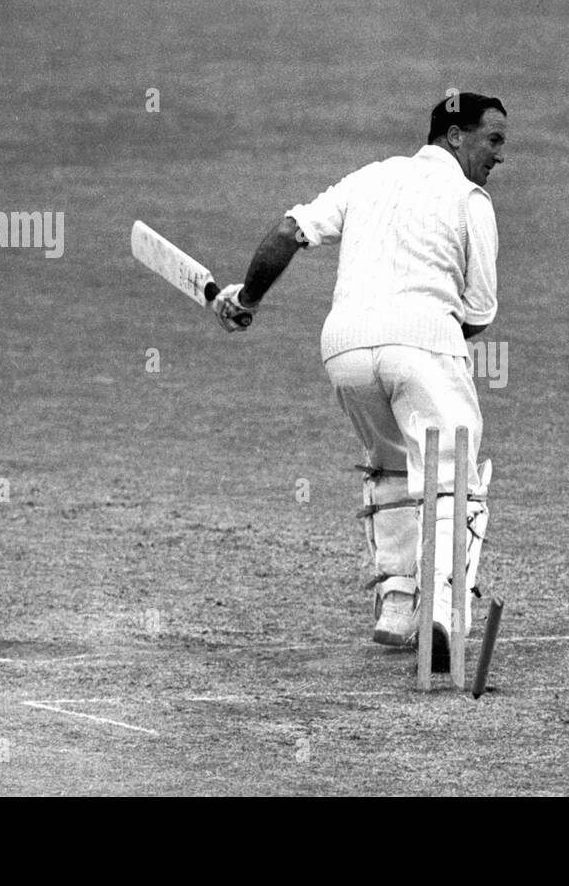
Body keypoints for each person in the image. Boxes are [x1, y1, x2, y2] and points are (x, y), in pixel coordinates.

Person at [214, 93, 507, 669]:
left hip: (342, 346)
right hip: (422, 338)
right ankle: (443, 614)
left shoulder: (368, 179)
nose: (500, 156)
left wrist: (245, 298)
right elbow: (479, 314)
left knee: (393, 462)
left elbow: (288, 231)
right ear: (455, 137)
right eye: (492, 140)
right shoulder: (471, 199)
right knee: (452, 476)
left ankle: (397, 606)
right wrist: (427, 343)